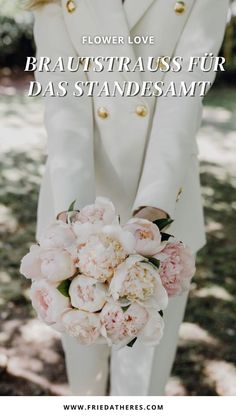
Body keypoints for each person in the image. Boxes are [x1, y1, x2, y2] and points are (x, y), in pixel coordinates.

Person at [26, 0, 229, 396]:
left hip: (166, 207)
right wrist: (76, 232)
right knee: (84, 369)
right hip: (73, 209)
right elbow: (65, 108)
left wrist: (154, 212)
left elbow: (184, 98)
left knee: (144, 375)